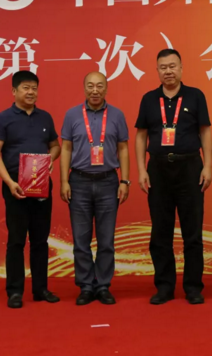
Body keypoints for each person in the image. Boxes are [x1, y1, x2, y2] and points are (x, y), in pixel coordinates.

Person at [135, 48, 212, 305]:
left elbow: (204, 131)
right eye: (163, 67)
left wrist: (207, 166)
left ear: (181, 68)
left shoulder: (195, 96)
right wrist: (141, 169)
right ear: (157, 70)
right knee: (160, 231)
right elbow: (141, 136)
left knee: (193, 231)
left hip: (190, 167)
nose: (168, 71)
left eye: (172, 66)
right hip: (158, 169)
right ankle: (164, 286)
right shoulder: (149, 99)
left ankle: (193, 287)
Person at [0, 71, 61, 309]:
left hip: (41, 186)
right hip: (15, 187)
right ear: (14, 91)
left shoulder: (45, 118)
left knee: (40, 240)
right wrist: (9, 182)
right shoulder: (2, 119)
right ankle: (15, 291)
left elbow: (55, 146)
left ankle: (41, 289)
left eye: (34, 88)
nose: (31, 92)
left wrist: (50, 160)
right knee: (17, 240)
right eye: (26, 88)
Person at [60, 72, 130, 306]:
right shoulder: (72, 115)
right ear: (84, 89)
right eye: (90, 86)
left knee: (106, 240)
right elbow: (66, 148)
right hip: (78, 182)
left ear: (106, 89)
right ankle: (86, 286)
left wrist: (125, 181)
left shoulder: (117, 115)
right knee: (81, 240)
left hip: (108, 182)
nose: (95, 90)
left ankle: (103, 286)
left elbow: (123, 149)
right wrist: (64, 181)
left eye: (100, 86)